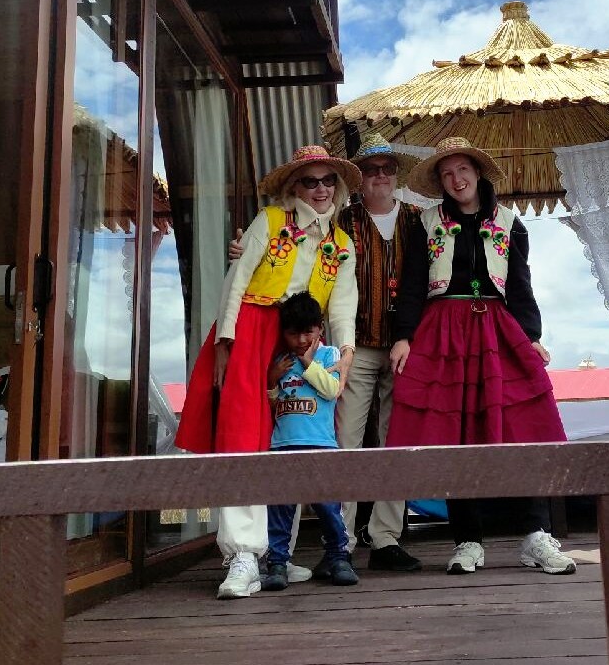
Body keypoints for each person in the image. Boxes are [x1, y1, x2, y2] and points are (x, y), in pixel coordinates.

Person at [229, 134, 425, 573]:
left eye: (387, 168)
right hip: (346, 346)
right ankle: (343, 542)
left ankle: (387, 538)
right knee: (339, 443)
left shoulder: (419, 220)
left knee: (396, 441)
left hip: (403, 344)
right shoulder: (342, 221)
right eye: (371, 169)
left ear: (397, 174)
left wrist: (410, 335)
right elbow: (293, 254)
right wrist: (244, 251)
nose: (379, 176)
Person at [175, 145, 360, 599]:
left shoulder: (340, 242)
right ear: (293, 186)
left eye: (327, 181)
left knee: (294, 441)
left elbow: (343, 300)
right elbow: (238, 277)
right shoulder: (270, 221)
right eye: (310, 181)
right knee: (243, 440)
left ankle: (276, 554)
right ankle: (241, 556)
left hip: (301, 340)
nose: (320, 189)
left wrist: (345, 350)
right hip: (254, 332)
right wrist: (226, 341)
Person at [386, 136, 575, 576]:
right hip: (442, 332)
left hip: (496, 330)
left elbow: (521, 286)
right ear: (440, 181)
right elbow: (413, 283)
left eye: (462, 170)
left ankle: (536, 535)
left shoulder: (510, 224)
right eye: (447, 173)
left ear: (477, 172)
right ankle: (467, 541)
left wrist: (531, 336)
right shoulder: (426, 222)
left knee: (520, 430)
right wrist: (404, 337)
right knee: (456, 436)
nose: (456, 179)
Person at [262, 292, 358, 590]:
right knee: (280, 508)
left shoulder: (329, 356)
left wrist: (307, 363)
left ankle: (338, 557)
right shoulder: (281, 362)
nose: (302, 339)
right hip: (283, 445)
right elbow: (273, 405)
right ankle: (277, 563)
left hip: (321, 445)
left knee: (328, 505)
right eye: (294, 334)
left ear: (320, 329)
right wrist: (271, 381)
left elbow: (332, 390)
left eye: (308, 332)